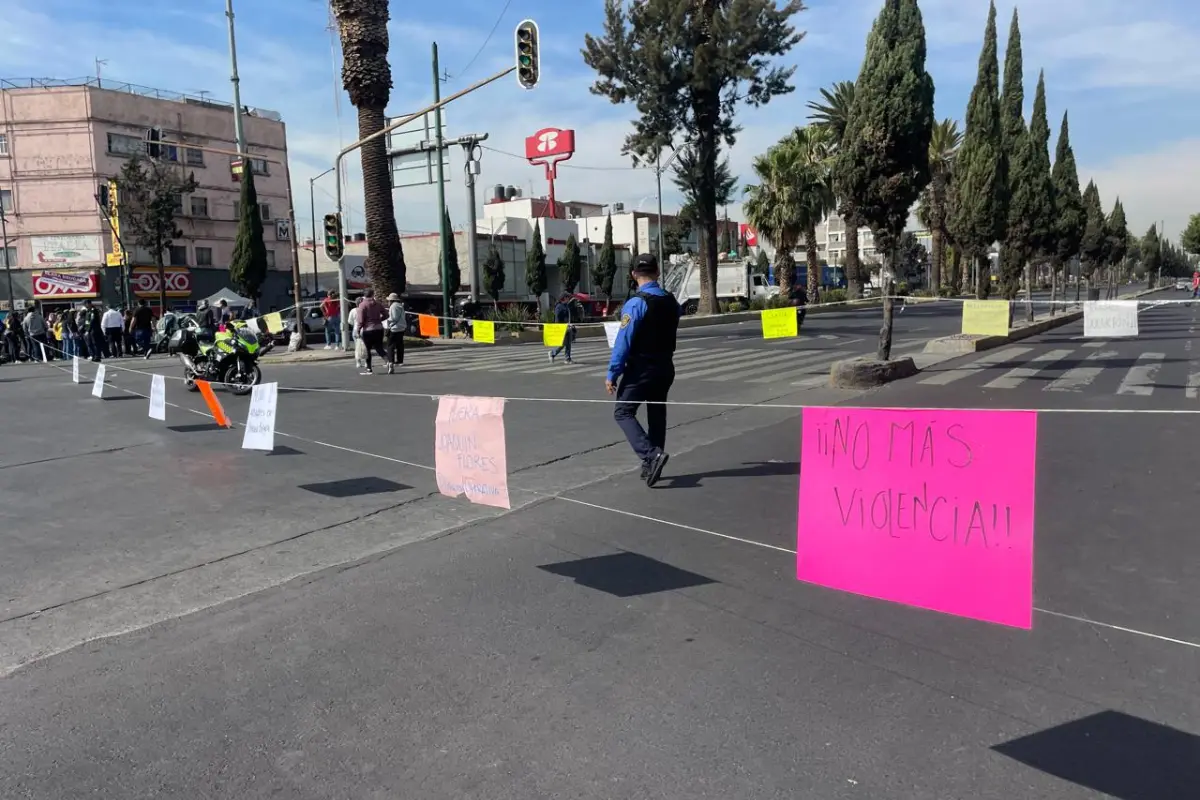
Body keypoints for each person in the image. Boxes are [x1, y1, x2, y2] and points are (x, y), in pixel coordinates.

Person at [606, 253, 682, 487]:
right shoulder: (672, 302)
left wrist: (613, 373)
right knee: (657, 415)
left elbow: (623, 341)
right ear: (658, 273)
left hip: (641, 369)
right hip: (665, 367)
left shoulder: (636, 303)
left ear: (633, 275)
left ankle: (651, 455)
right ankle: (652, 465)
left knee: (623, 412)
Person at [355, 289, 387, 375]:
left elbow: (360, 320)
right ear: (373, 294)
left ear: (364, 295)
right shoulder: (378, 304)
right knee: (379, 347)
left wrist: (358, 330)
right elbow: (386, 314)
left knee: (367, 349)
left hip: (368, 329)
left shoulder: (362, 305)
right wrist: (379, 320)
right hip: (379, 328)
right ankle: (388, 361)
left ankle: (369, 368)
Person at [548, 293, 575, 364]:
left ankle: (567, 358)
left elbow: (568, 317)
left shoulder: (566, 306)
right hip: (562, 328)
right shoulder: (559, 306)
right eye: (567, 297)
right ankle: (552, 353)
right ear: (564, 298)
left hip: (568, 327)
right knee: (562, 344)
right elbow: (557, 319)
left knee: (568, 344)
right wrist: (559, 327)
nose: (568, 299)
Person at [385, 292, 405, 374]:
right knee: (400, 344)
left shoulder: (393, 307)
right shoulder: (401, 306)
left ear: (391, 301)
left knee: (390, 345)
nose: (388, 302)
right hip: (401, 327)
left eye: (389, 301)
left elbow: (393, 318)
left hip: (394, 328)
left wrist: (386, 321)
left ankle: (391, 361)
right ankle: (399, 360)